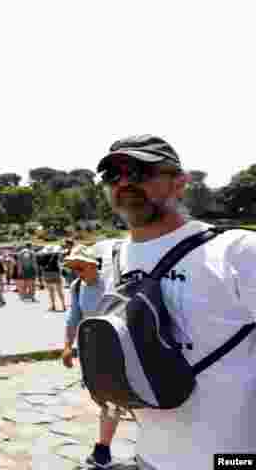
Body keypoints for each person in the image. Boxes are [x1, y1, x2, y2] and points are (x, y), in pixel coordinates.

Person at [95, 134, 256, 469]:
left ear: (181, 182)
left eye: (140, 170)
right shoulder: (114, 257)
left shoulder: (238, 252)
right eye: (113, 173)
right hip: (151, 456)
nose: (124, 181)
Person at [59, 244, 122, 469]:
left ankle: (103, 450)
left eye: (80, 267)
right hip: (92, 352)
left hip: (119, 351)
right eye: (73, 269)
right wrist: (67, 346)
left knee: (115, 399)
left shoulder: (113, 284)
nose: (77, 273)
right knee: (107, 399)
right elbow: (73, 318)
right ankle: (104, 450)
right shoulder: (77, 287)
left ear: (94, 265)